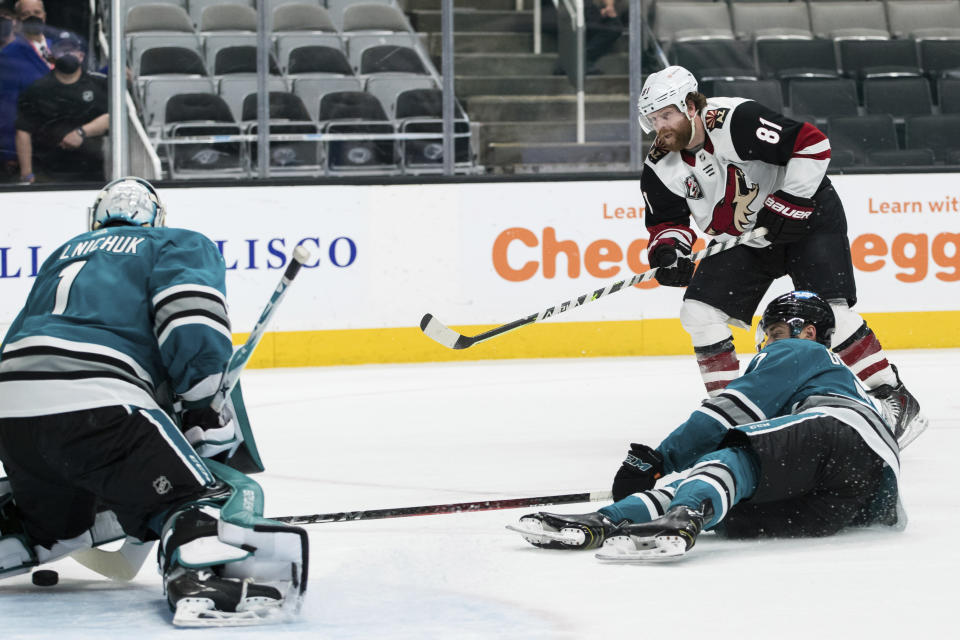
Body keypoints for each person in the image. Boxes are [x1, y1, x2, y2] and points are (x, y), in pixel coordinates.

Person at [0, 177, 308, 625]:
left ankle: (20, 526)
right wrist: (204, 405)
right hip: (97, 399)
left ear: (96, 218)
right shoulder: (175, 242)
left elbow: (20, 339)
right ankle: (206, 576)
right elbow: (190, 320)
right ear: (156, 217)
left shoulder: (65, 253)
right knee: (207, 495)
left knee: (60, 522)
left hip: (11, 409)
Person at [634, 65, 927, 449]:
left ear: (691, 106)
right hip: (745, 238)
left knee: (830, 314)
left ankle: (895, 397)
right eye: (653, 119)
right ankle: (728, 413)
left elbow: (812, 144)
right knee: (698, 313)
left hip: (808, 218)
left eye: (666, 115)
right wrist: (670, 251)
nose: (660, 127)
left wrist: (790, 201)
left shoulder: (735, 120)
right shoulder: (660, 163)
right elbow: (666, 222)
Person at [510, 291, 903, 561]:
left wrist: (657, 459)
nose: (768, 343)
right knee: (728, 495)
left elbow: (725, 414)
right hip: (863, 494)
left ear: (808, 331)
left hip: (837, 432)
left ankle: (681, 517)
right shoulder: (838, 376)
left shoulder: (800, 350)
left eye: (776, 332)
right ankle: (615, 518)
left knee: (734, 455)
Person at [14, 32, 107, 183]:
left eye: (71, 49)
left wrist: (81, 133)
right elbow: (23, 131)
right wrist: (27, 174)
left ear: (81, 55)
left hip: (90, 173)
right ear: (52, 56)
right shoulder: (37, 89)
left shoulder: (98, 84)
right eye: (61, 50)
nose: (66, 54)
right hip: (47, 174)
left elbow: (111, 118)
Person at [0, 0, 59, 176]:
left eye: (37, 12)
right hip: (29, 152)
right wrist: (11, 152)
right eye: (26, 14)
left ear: (44, 16)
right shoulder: (8, 56)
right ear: (17, 20)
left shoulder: (59, 46)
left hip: (63, 145)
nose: (33, 17)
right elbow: (6, 108)